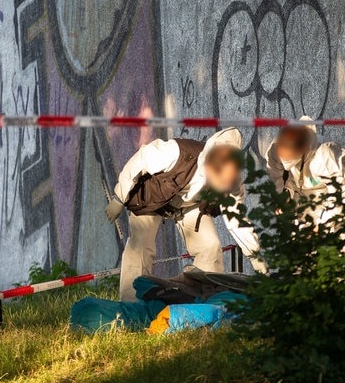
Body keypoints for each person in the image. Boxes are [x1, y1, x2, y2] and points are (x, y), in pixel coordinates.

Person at [106, 128, 265, 301]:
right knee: (141, 246)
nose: (223, 186)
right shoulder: (176, 152)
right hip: (152, 197)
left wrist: (255, 256)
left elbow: (237, 221)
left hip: (189, 205)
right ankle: (132, 303)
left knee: (210, 246)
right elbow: (141, 158)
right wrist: (119, 197)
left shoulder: (233, 181)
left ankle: (206, 301)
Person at [264, 117, 345, 228]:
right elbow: (277, 180)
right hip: (305, 200)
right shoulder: (275, 152)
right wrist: (283, 201)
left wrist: (322, 226)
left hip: (336, 202)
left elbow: (344, 197)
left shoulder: (325, 155)